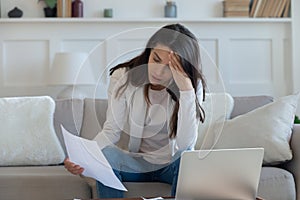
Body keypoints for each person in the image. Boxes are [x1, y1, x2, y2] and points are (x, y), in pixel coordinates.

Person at [64, 23, 207, 198]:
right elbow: (111, 131)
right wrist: (83, 158)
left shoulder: (191, 85)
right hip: (134, 163)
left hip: (171, 165)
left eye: (170, 67)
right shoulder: (123, 77)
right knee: (107, 155)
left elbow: (185, 145)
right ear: (149, 52)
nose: (159, 72)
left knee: (186, 160)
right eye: (156, 59)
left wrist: (186, 89)